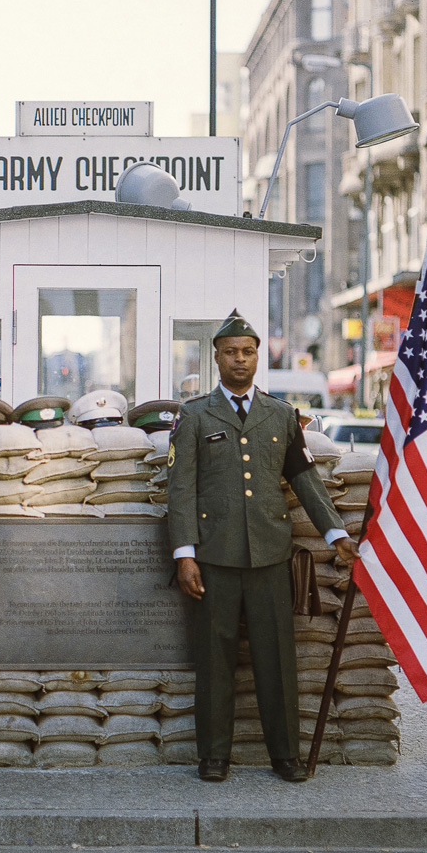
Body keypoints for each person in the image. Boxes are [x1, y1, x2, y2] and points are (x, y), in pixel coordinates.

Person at [167, 310, 362, 784]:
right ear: (216, 358)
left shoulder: (280, 415)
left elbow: (304, 479)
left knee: (277, 659)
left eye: (248, 351)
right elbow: (181, 490)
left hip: (270, 556)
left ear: (258, 357)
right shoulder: (193, 415)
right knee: (215, 659)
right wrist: (184, 555)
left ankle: (285, 755)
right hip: (214, 558)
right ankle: (213, 756)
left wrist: (336, 534)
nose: (240, 359)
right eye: (231, 352)